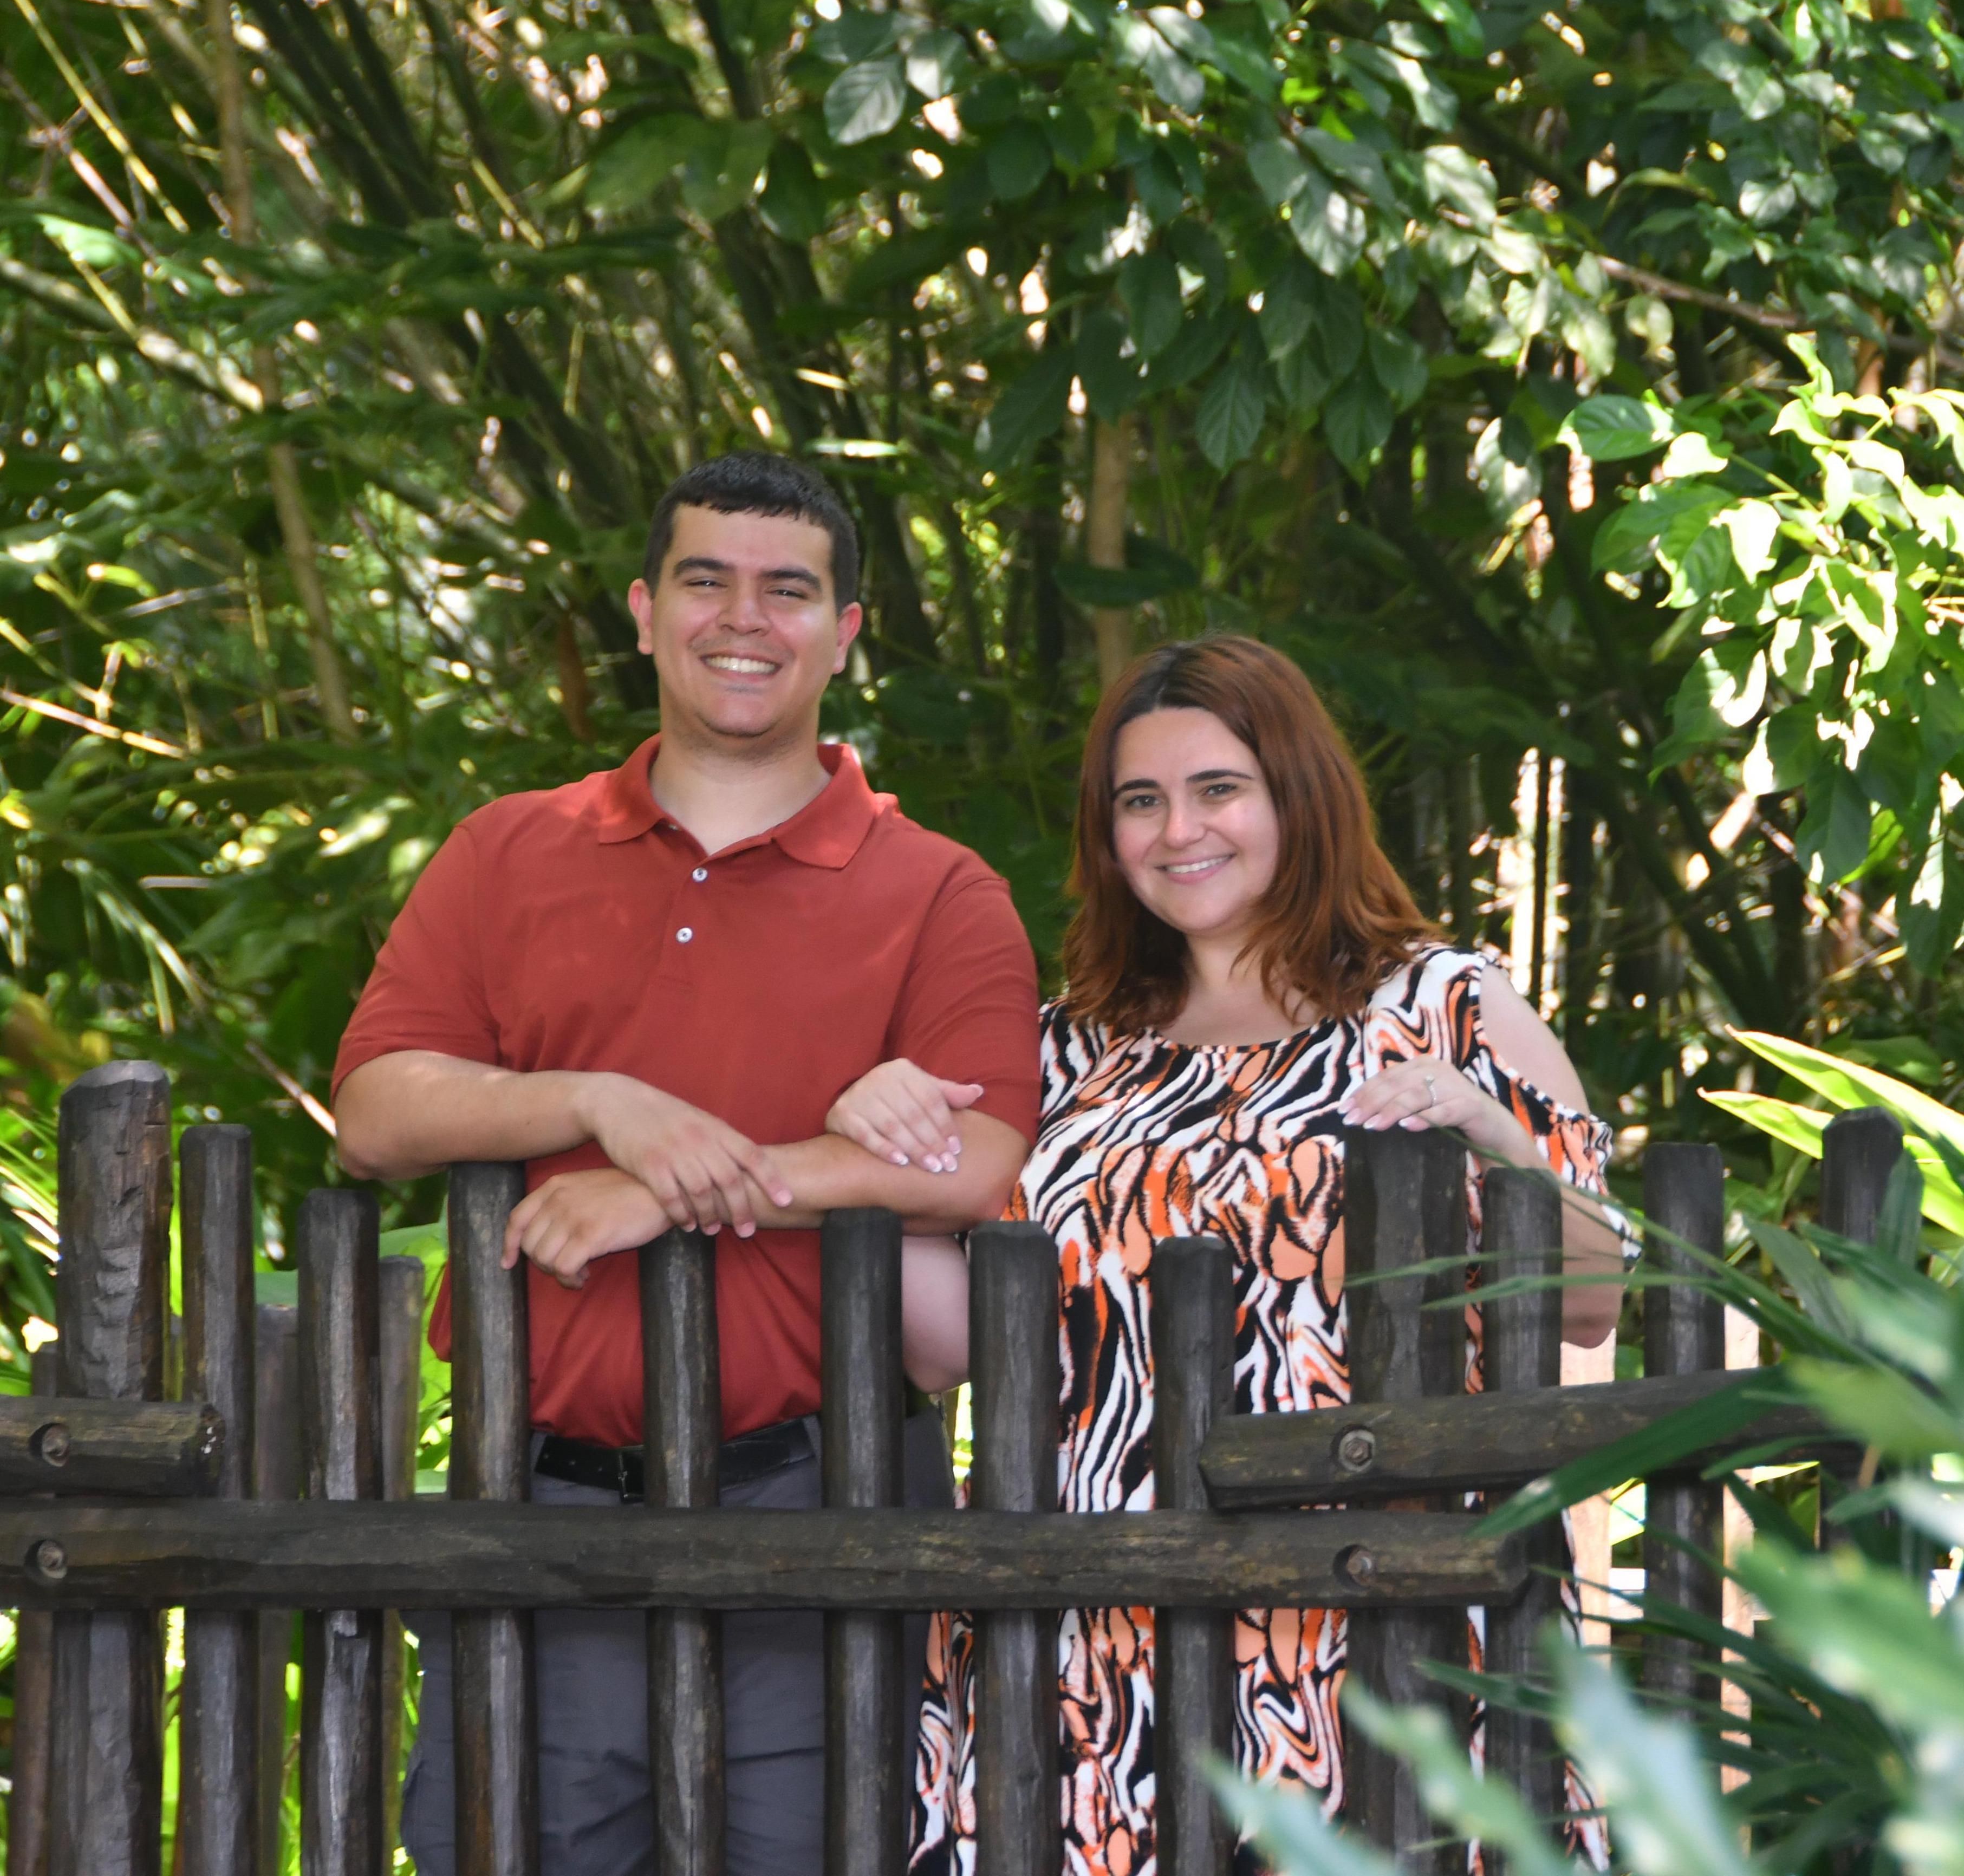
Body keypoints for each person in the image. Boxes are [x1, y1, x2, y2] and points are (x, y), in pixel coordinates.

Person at [330, 451, 1040, 1876]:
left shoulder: (940, 892)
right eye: (707, 580)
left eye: (791, 590)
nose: (744, 618)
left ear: (844, 635)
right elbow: (378, 1111)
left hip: (821, 1514)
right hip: (540, 1507)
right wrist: (601, 1099)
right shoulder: (506, 852)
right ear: (647, 613)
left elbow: (973, 1163)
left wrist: (667, 1185)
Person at [880, 634, 1626, 1874]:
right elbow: (960, 1348)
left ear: (1297, 793)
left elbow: (1597, 1302)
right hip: (1086, 1638)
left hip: (1372, 1623)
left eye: (1219, 787)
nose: (1179, 829)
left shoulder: (1443, 1002)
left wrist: (1492, 1131)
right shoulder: (1065, 1050)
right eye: (1139, 800)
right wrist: (885, 1159)